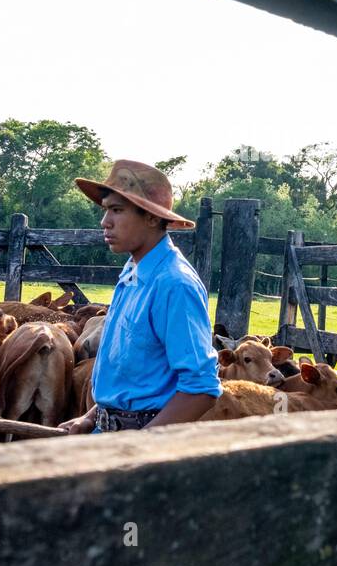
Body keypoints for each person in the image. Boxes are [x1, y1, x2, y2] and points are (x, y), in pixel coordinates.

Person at [57, 160, 220, 434]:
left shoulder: (174, 284)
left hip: (145, 443)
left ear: (153, 217)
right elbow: (132, 379)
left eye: (117, 210)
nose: (104, 222)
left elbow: (201, 388)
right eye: (106, 210)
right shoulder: (133, 272)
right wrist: (91, 418)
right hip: (108, 434)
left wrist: (140, 447)